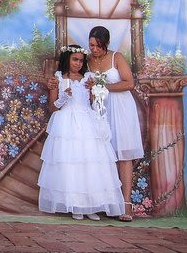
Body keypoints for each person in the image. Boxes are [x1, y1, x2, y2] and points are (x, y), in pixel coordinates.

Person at [38, 45, 124, 220]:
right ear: (67, 59)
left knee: (90, 164)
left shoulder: (88, 78)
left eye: (81, 60)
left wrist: (95, 90)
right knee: (71, 164)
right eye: (74, 59)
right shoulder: (58, 79)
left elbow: (95, 103)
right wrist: (64, 97)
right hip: (66, 123)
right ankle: (76, 205)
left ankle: (90, 205)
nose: (78, 63)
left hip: (87, 121)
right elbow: (52, 107)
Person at [88, 26, 144, 222]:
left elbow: (129, 83)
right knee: (102, 155)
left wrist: (104, 87)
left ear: (106, 43)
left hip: (120, 109)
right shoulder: (87, 60)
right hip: (100, 110)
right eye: (92, 45)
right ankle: (106, 202)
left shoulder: (116, 57)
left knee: (123, 154)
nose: (94, 49)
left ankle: (126, 204)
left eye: (98, 46)